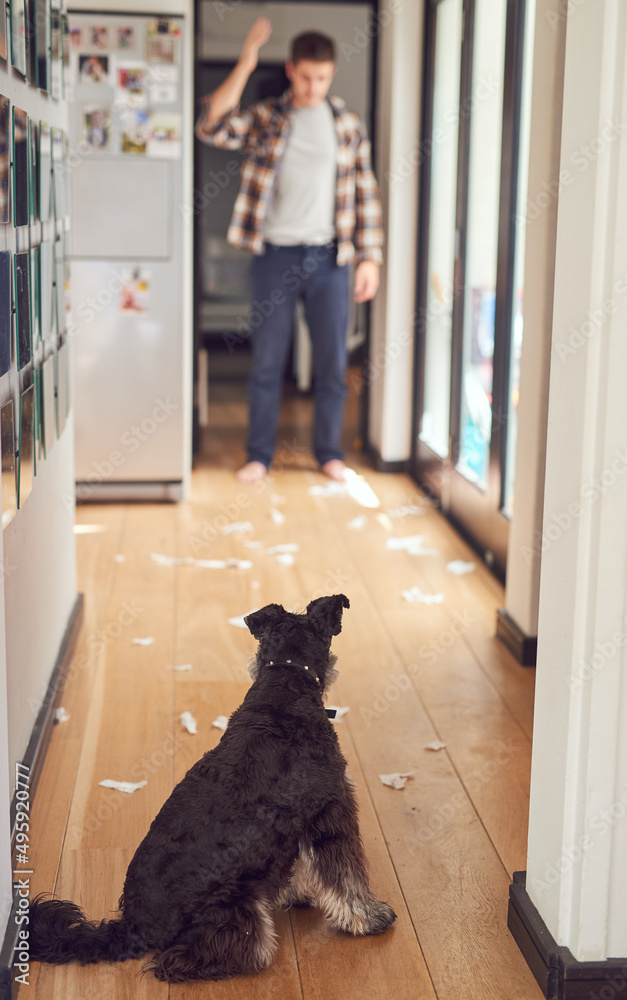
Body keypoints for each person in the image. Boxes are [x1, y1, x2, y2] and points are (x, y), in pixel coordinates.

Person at [196, 17, 383, 484]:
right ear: (291, 70)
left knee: (332, 364)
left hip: (331, 259)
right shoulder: (267, 118)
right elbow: (211, 126)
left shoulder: (347, 126)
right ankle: (258, 454)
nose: (312, 87)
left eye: (321, 78)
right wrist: (246, 63)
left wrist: (371, 258)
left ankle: (328, 454)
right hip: (274, 257)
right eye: (305, 77)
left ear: (331, 74)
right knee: (266, 362)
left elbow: (366, 194)